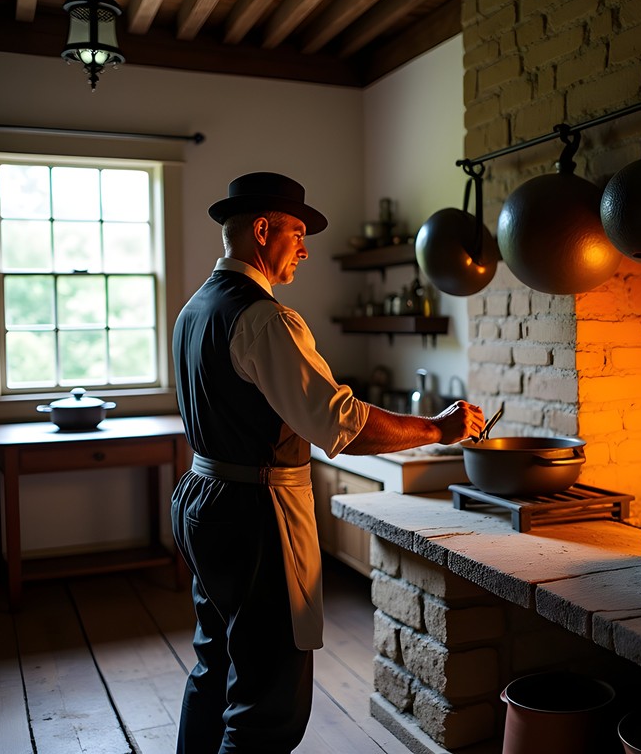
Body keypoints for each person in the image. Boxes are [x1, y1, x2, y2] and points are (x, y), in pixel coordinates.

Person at [170, 171, 485, 753]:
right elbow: (340, 423)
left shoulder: (195, 310)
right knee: (269, 699)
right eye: (297, 231)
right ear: (262, 230)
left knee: (216, 664)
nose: (305, 248)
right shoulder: (267, 319)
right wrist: (437, 428)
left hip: (201, 498)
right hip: (253, 511)